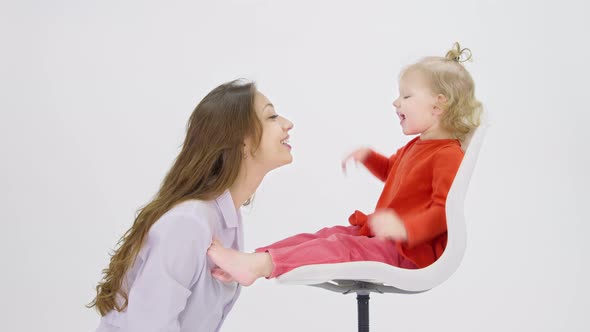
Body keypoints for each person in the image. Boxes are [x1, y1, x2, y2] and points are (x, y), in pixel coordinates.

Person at [207, 42, 483, 286]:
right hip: (385, 240)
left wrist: (405, 229)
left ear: (438, 106)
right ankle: (255, 260)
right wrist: (368, 157)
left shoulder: (447, 154)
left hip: (409, 251)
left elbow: (442, 212)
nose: (395, 102)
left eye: (406, 96)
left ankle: (259, 266)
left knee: (339, 246)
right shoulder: (418, 145)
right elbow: (391, 171)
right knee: (327, 236)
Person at [88, 79, 294, 331]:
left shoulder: (226, 216)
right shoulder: (189, 221)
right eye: (271, 117)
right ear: (243, 141)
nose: (287, 124)